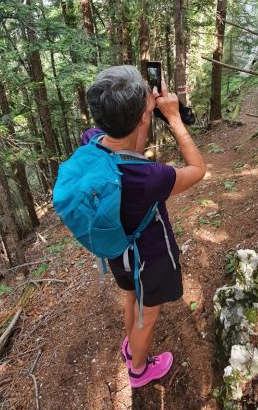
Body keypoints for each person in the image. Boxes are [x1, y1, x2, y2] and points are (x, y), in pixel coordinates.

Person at [82, 65, 206, 388]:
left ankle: (131, 348)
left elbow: (128, 153)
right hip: (150, 255)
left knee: (131, 298)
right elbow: (197, 169)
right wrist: (174, 117)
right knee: (147, 316)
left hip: (116, 247)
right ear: (136, 116)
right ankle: (138, 370)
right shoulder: (151, 177)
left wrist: (145, 116)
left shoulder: (91, 140)